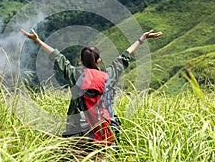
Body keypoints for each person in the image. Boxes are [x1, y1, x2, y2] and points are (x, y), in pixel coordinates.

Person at [21, 28, 162, 143]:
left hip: (77, 133)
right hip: (103, 131)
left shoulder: (74, 75)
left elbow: (58, 57)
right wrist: (142, 39)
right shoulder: (109, 75)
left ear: (81, 61)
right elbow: (125, 56)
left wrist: (38, 41)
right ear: (98, 61)